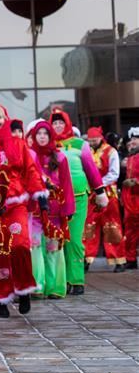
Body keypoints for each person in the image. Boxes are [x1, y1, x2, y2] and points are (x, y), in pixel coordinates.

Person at [0, 103, 48, 317]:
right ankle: (0, 297)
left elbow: (31, 170)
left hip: (15, 202)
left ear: (6, 118)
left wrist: (40, 194)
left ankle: (24, 289)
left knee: (19, 246)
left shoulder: (18, 144)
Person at [49, 108, 105, 294]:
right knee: (57, 240)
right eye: (54, 123)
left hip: (79, 197)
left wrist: (100, 191)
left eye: (61, 123)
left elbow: (91, 170)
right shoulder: (48, 145)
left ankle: (77, 280)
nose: (57, 126)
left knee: (73, 239)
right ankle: (61, 280)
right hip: (55, 200)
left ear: (67, 124)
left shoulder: (80, 144)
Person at [27, 121, 75, 299]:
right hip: (35, 211)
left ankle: (56, 287)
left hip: (54, 211)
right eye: (38, 133)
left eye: (45, 134)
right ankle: (37, 287)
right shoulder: (29, 156)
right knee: (35, 247)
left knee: (53, 248)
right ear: (33, 136)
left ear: (50, 136)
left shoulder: (60, 158)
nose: (42, 137)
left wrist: (68, 208)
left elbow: (67, 184)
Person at [84, 126, 126, 272]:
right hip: (91, 194)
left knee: (112, 226)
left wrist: (98, 183)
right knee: (89, 227)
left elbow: (114, 173)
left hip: (108, 194)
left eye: (95, 140)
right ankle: (85, 259)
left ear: (100, 138)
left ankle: (119, 259)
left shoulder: (111, 151)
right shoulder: (86, 151)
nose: (93, 142)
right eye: (90, 141)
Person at [123, 127, 139, 269]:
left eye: (136, 139)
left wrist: (136, 181)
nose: (132, 142)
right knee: (130, 232)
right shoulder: (130, 157)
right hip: (130, 200)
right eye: (132, 139)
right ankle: (131, 259)